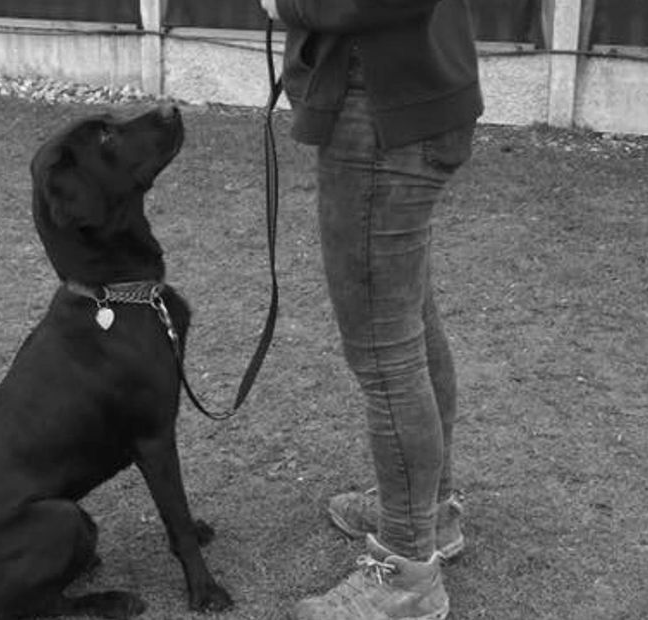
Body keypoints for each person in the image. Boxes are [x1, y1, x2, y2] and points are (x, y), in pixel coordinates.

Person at [257, 0, 483, 618]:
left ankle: (406, 575)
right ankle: (428, 516)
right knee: (408, 325)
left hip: (382, 114)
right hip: (403, 100)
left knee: (385, 353)